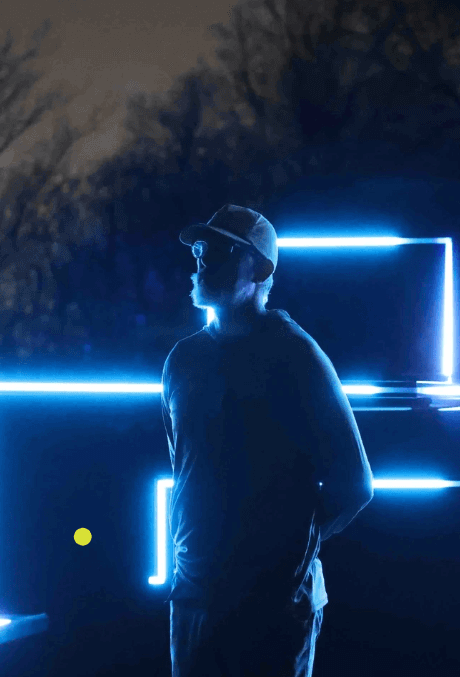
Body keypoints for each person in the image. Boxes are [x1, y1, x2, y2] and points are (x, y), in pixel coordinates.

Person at [161, 204, 375, 677]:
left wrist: (287, 560)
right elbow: (186, 469)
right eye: (200, 249)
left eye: (218, 251)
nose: (202, 262)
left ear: (258, 268)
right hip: (195, 597)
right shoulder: (183, 361)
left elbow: (355, 484)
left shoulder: (295, 355)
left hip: (270, 607)